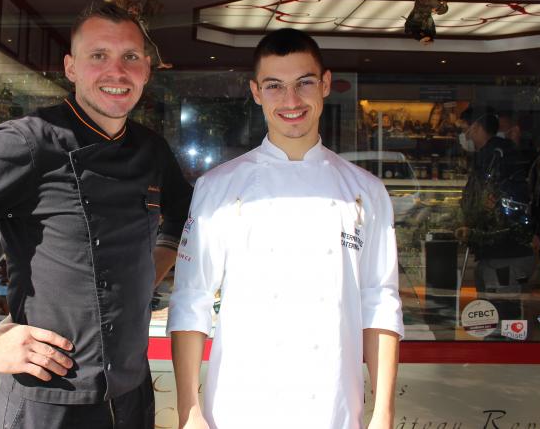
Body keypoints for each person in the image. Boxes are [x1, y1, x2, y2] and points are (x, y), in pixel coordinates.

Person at [0, 1, 192, 429]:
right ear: (71, 67)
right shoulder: (28, 142)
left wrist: (143, 277)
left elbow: (181, 218)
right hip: (49, 401)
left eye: (130, 57)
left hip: (132, 396)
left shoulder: (150, 149)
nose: (116, 72)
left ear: (146, 70)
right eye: (98, 55)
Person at [167, 28, 403, 429]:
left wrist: (382, 414)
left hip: (334, 410)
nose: (291, 101)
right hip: (239, 408)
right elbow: (192, 301)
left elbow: (380, 301)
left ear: (325, 84)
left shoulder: (366, 191)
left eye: (304, 83)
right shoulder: (218, 188)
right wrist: (190, 411)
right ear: (256, 92)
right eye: (275, 86)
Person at [456, 109, 535, 322]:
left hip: (503, 249)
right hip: (500, 248)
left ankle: (505, 349)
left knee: (501, 309)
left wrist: (471, 226)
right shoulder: (501, 152)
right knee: (496, 308)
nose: (466, 136)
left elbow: (484, 201)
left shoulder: (493, 156)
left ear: (477, 127)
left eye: (466, 130)